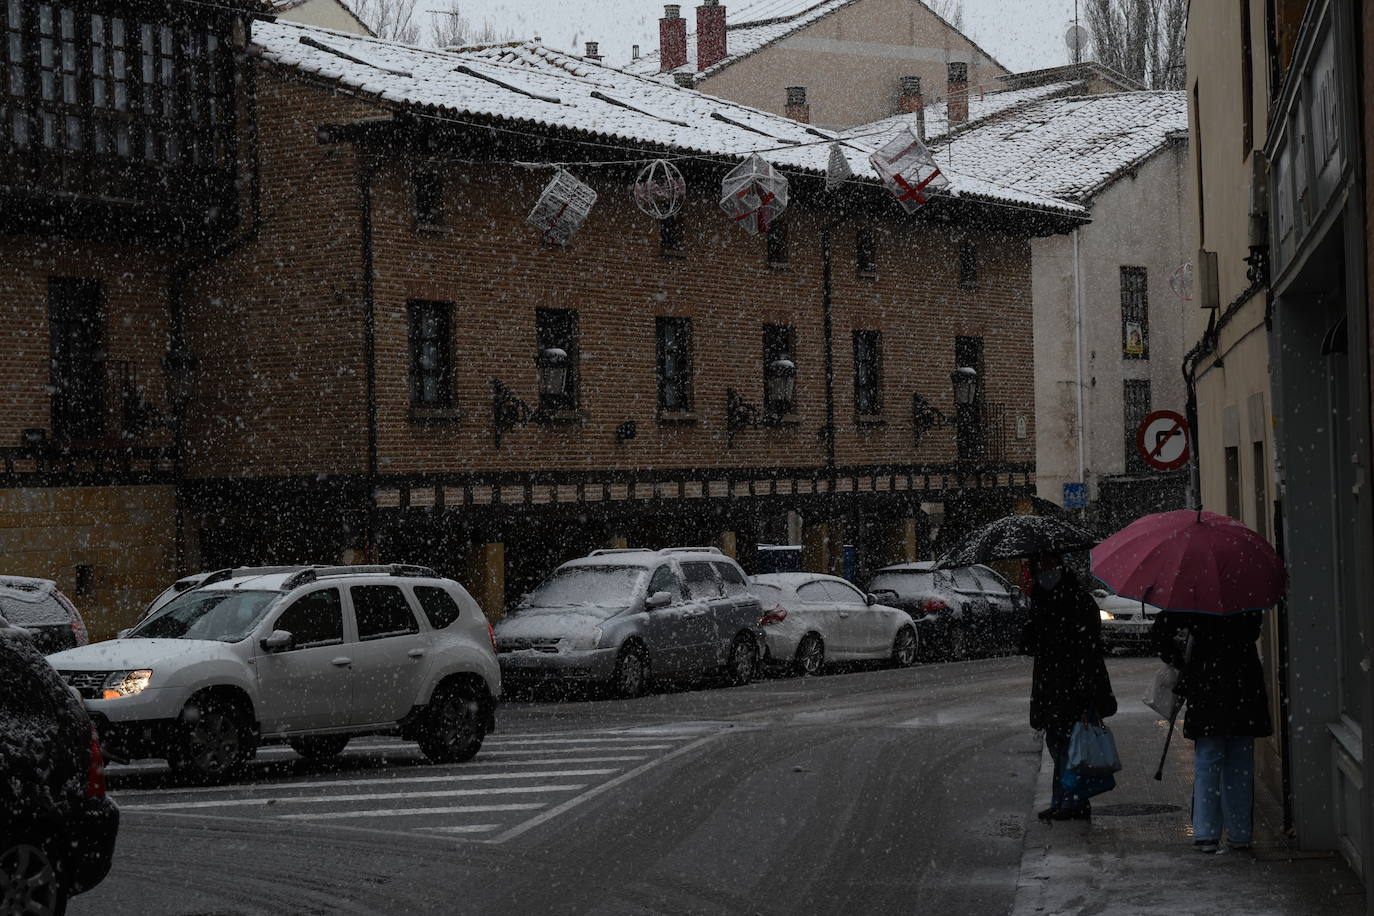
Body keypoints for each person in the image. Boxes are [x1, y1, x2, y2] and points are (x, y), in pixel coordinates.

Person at [1151, 610, 1271, 854]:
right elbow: (1251, 630)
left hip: (1208, 683)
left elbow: (1162, 630)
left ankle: (1206, 832)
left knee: (1208, 760)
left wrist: (1180, 659)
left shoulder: (1196, 594)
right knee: (1239, 764)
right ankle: (1239, 833)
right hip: (1242, 685)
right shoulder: (1247, 596)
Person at [1021, 552, 1116, 821]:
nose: (1046, 571)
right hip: (1051, 685)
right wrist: (1031, 624)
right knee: (1059, 743)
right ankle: (1065, 799)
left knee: (1071, 744)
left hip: (1074, 683)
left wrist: (1086, 685)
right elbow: (1030, 645)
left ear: (1061, 567)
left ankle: (1071, 800)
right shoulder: (1040, 600)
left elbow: (1089, 644)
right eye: (1041, 566)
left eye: (1050, 565)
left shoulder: (1077, 599)